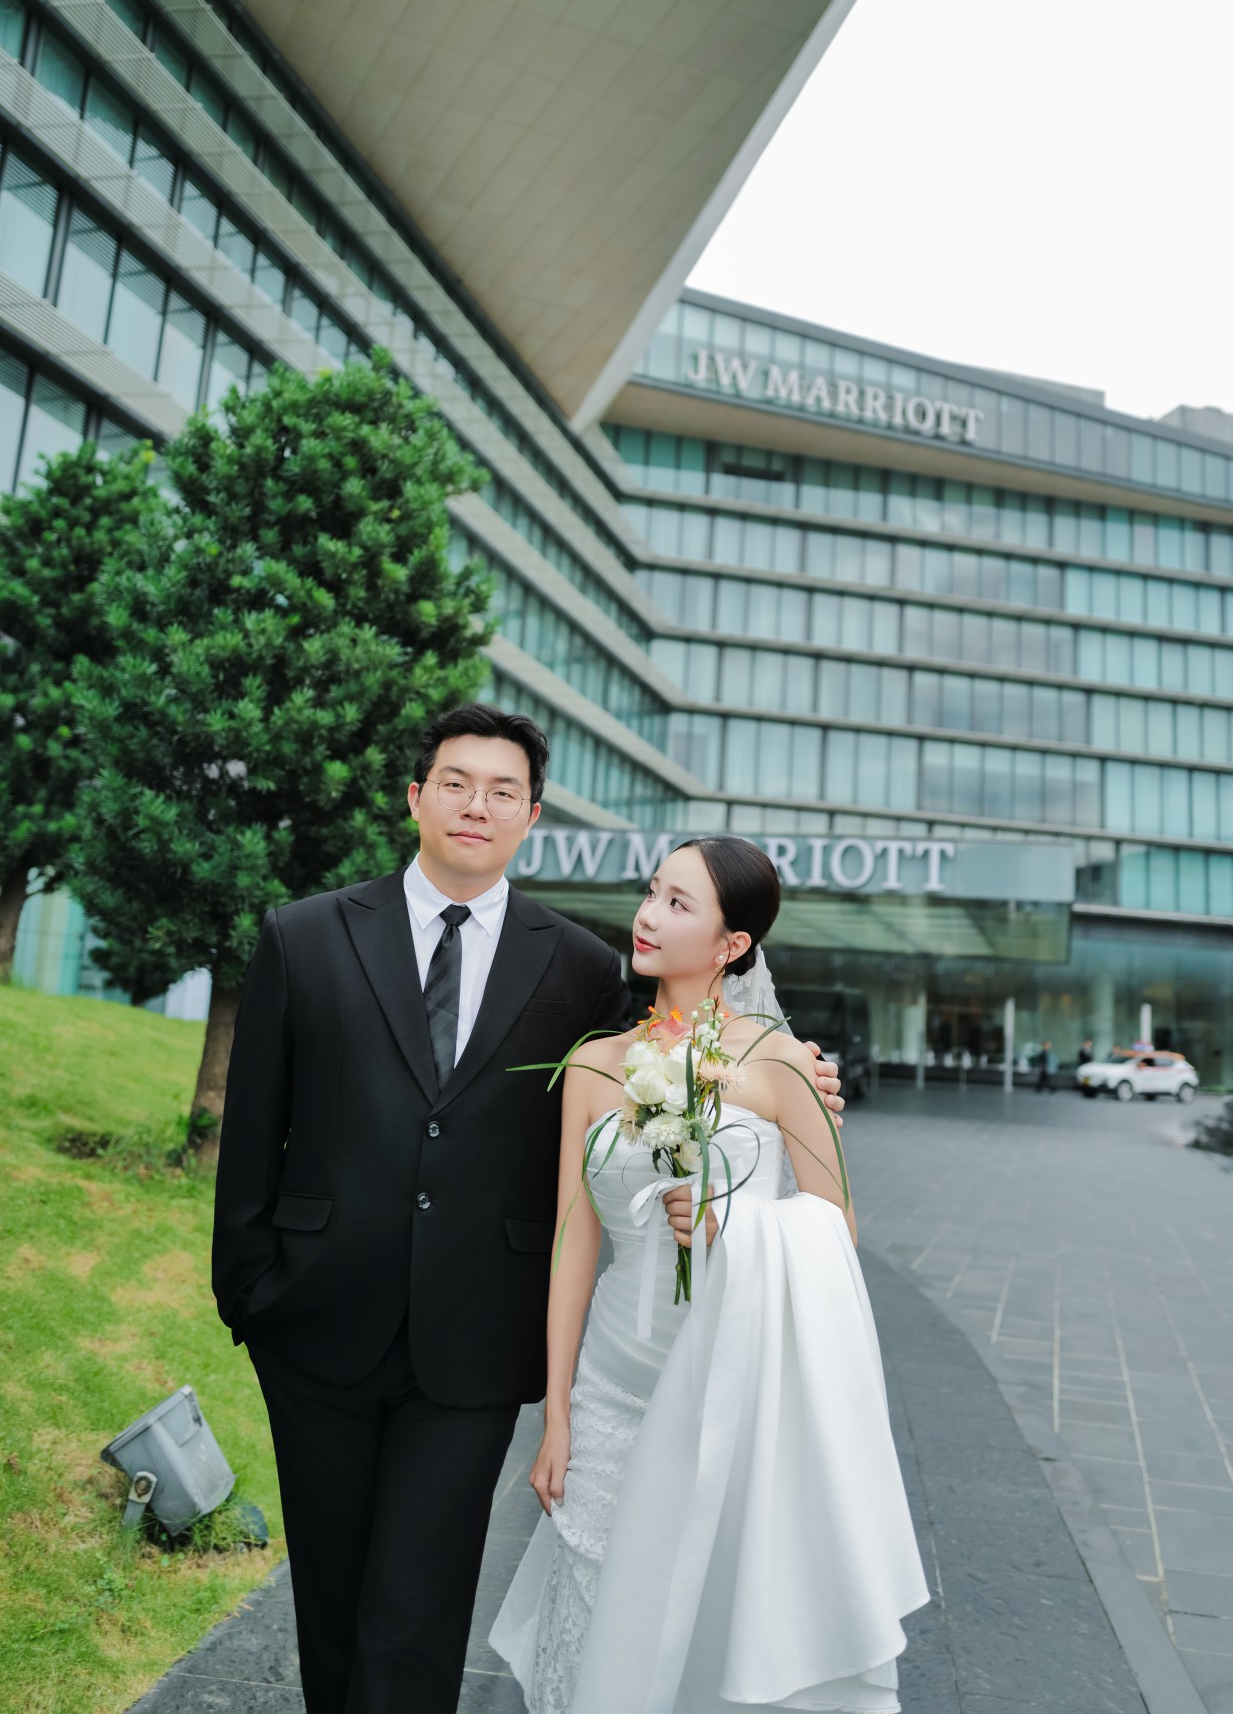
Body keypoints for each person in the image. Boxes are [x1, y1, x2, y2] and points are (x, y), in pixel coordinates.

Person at [211, 706, 843, 1714]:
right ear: (416, 797)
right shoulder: (305, 935)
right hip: (315, 1320)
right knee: (328, 1597)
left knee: (416, 1609)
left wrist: (791, 1074)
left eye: (503, 790)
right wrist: (248, 1292)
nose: (478, 804)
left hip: (475, 1338)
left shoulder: (580, 965)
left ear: (532, 815)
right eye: (456, 782)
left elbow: (673, 1059)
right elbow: (253, 1129)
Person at [491, 837, 928, 1713]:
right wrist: (556, 1415)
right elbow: (573, 1243)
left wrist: (740, 1224)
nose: (647, 916)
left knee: (709, 1617)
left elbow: (836, 1223)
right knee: (600, 1619)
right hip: (612, 1384)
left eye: (678, 903)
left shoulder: (782, 1062)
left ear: (733, 945)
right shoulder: (593, 1065)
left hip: (736, 1384)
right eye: (651, 892)